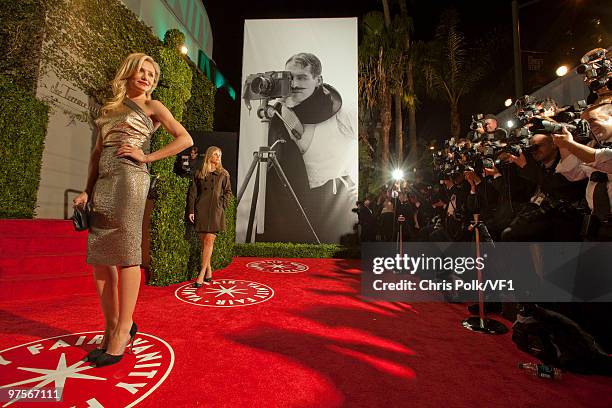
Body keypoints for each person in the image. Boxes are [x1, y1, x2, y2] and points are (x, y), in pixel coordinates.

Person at [72, 53, 193, 368]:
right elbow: (97, 153)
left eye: (152, 74)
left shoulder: (153, 107)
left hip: (130, 180)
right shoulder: (109, 109)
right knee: (100, 257)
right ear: (128, 71)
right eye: (142, 70)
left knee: (126, 255)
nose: (147, 77)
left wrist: (147, 157)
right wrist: (86, 189)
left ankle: (123, 330)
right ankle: (111, 326)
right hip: (104, 183)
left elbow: (185, 138)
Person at [258, 52, 358, 244]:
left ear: (318, 79)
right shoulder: (277, 111)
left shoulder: (344, 112)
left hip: (331, 201)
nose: (294, 84)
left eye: (302, 77)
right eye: (290, 77)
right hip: (289, 201)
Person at [187, 146, 233, 287]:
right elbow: (193, 193)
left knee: (209, 241)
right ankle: (209, 269)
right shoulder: (199, 173)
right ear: (209, 156)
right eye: (215, 154)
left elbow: (228, 192)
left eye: (219, 155)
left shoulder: (224, 174)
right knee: (204, 242)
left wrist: (221, 205)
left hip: (215, 211)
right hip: (201, 209)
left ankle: (201, 273)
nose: (218, 157)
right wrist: (191, 210)